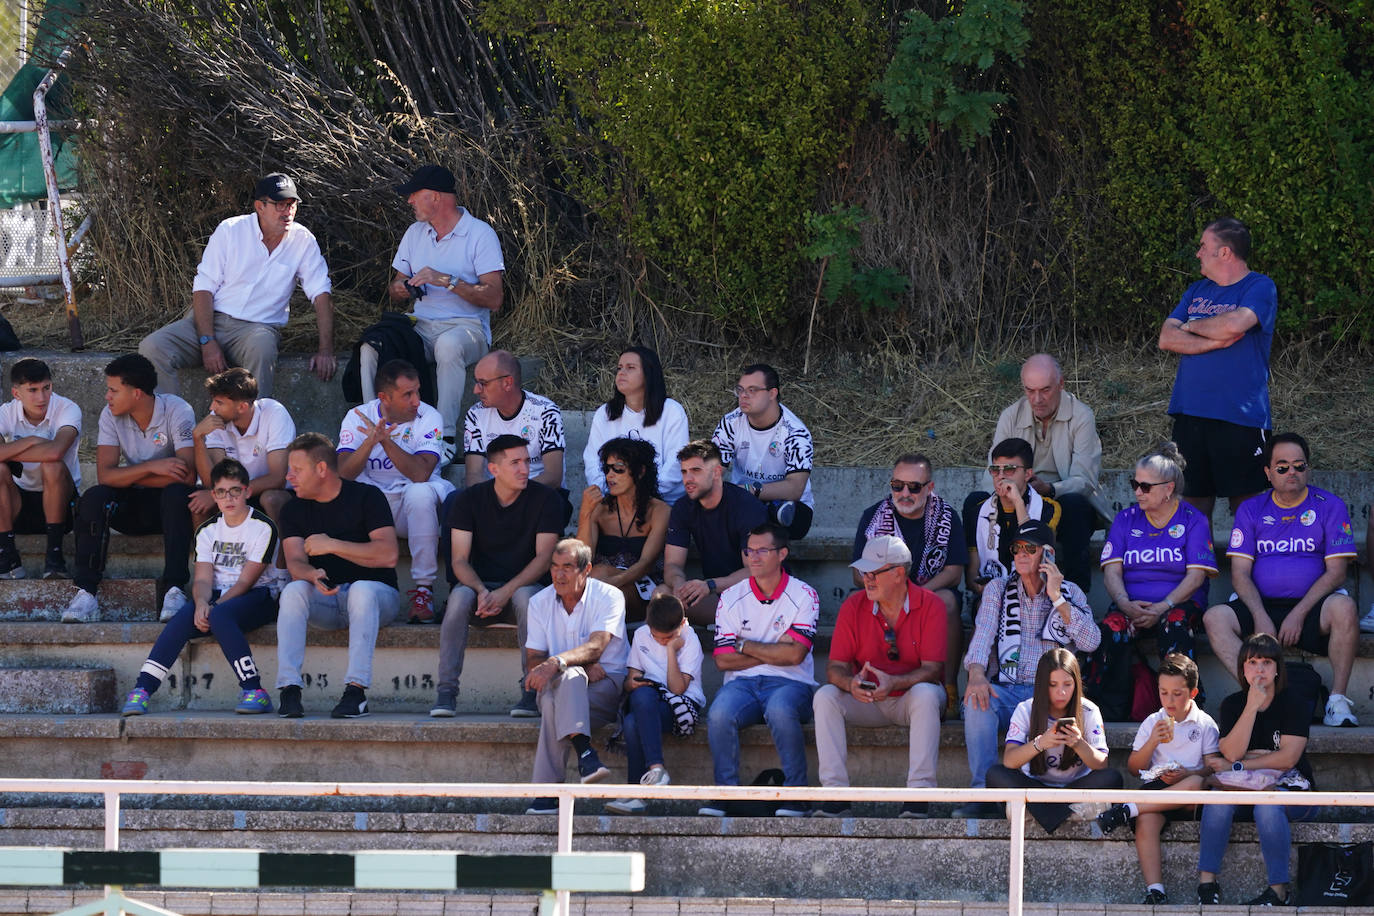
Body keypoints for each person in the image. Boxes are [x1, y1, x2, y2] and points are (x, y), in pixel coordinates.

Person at [1202, 432, 1360, 727]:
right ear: (1268, 472)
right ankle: (1259, 694)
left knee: (1345, 609)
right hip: (1261, 605)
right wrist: (1260, 616)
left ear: (1308, 469)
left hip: (1314, 606)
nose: (1292, 473)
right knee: (1215, 618)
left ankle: (1337, 701)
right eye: (1283, 467)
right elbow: (1239, 574)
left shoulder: (1330, 505)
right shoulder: (1251, 509)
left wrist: (1299, 614)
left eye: (1299, 466)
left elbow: (1337, 573)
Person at [138, 173, 336, 398]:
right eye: (279, 204)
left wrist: (326, 351)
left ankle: (255, 427)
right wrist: (207, 340)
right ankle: (172, 422)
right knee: (152, 347)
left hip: (256, 330)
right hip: (210, 320)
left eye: (292, 204)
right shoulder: (230, 230)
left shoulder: (303, 241)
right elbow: (204, 287)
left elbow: (322, 294)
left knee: (262, 347)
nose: (287, 211)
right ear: (260, 206)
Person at [361, 164, 505, 463]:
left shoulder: (480, 234)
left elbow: (494, 297)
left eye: (414, 194)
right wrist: (400, 288)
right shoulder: (415, 233)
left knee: (449, 346)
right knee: (371, 346)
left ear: (436, 197)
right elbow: (395, 283)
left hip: (468, 328)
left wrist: (447, 281)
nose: (409, 201)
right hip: (421, 324)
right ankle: (375, 429)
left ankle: (445, 436)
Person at [120, 459, 285, 716]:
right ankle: (142, 690)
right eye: (221, 492)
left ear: (247, 492)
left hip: (259, 595)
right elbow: (203, 580)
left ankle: (255, 690)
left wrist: (213, 607)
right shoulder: (207, 530)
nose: (228, 498)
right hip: (216, 596)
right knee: (180, 619)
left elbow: (245, 581)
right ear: (214, 496)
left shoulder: (263, 527)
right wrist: (200, 604)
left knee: (219, 615)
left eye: (235, 491)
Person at [957, 520, 1099, 819]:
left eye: (1029, 549)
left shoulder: (1069, 592)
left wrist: (1057, 597)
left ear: (1047, 555)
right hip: (1008, 692)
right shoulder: (999, 588)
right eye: (1016, 548)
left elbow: (1091, 642)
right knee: (975, 700)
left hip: (1050, 701)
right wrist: (977, 674)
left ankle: (1048, 798)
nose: (1021, 554)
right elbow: (982, 635)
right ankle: (983, 795)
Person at [813, 535, 946, 819]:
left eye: (874, 573)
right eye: (864, 573)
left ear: (898, 573)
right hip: (868, 698)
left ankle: (919, 797)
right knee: (825, 697)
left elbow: (933, 669)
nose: (866, 580)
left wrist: (895, 683)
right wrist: (851, 684)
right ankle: (835, 796)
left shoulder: (932, 604)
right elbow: (834, 666)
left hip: (908, 699)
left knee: (927, 694)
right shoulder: (853, 605)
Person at [1158, 217, 1277, 528]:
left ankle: (1248, 578)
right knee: (1193, 509)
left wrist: (1191, 327)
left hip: (1240, 416)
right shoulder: (1196, 290)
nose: (1197, 253)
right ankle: (1198, 578)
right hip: (1190, 414)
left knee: (1248, 509)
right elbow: (1166, 337)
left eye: (1203, 246)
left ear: (1224, 253)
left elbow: (1236, 324)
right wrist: (1216, 340)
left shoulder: (1259, 286)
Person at [435, 434, 563, 718]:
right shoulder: (467, 500)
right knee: (458, 598)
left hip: (523, 588)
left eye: (527, 461)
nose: (525, 469)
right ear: (493, 469)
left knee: (527, 597)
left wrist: (505, 591)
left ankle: (531, 691)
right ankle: (446, 692)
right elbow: (458, 559)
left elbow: (545, 559)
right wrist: (481, 590)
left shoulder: (546, 499)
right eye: (515, 463)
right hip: (479, 592)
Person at [62, 354, 196, 625]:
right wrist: (153, 468)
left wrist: (128, 476)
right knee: (93, 498)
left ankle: (174, 589)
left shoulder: (177, 410)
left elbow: (188, 475)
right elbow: (104, 475)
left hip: (168, 509)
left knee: (176, 494)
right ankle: (86, 591)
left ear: (136, 393)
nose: (107, 397)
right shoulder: (109, 415)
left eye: (113, 390)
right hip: (133, 505)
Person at [275, 433, 400, 719]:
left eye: (297, 470)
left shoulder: (367, 496)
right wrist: (312, 574)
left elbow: (388, 554)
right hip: (327, 600)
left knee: (362, 590)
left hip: (378, 599)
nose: (289, 476)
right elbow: (295, 561)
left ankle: (356, 693)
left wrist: (331, 544)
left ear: (321, 469)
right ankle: (289, 689)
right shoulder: (293, 507)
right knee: (293, 591)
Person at [699, 523, 818, 818]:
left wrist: (745, 645)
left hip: (792, 683)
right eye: (749, 551)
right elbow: (723, 661)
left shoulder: (805, 595)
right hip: (742, 685)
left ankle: (797, 795)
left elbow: (795, 656)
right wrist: (773, 651)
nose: (753, 557)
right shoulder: (730, 597)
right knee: (719, 714)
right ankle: (725, 794)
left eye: (762, 550)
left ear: (782, 554)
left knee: (779, 710)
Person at [1092, 442, 1217, 719]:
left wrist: (1162, 606)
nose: (1137, 491)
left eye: (1145, 486)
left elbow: (1196, 577)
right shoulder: (1126, 519)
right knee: (1111, 628)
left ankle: (1187, 710)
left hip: (1179, 604)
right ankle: (1110, 711)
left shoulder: (1193, 520)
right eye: (1134, 483)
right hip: (1131, 604)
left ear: (1169, 488)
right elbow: (1112, 572)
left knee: (1173, 625)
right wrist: (1125, 604)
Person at [1195, 633, 1318, 907]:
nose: (1259, 669)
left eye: (1266, 662)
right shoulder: (1233, 704)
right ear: (1243, 668)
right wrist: (1251, 707)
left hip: (1292, 790)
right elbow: (1230, 751)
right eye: (1252, 662)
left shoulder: (1294, 702)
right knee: (1217, 802)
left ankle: (1278, 891)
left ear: (1277, 669)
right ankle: (1207, 884)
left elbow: (1287, 759)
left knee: (1267, 806)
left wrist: (1239, 764)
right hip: (1243, 789)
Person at [1091, 654, 1223, 906]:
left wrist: (1188, 774)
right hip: (1157, 792)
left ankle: (1126, 809)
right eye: (1163, 693)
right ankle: (1156, 890)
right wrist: (1152, 741)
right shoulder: (1153, 721)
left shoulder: (1205, 724)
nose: (1169, 701)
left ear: (1193, 693)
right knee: (1147, 820)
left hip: (1190, 794)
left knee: (1195, 784)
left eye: (1177, 693)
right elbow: (1133, 768)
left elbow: (1213, 769)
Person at [337, 359, 453, 624]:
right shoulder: (358, 417)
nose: (416, 400)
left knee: (420, 491)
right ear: (384, 398)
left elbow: (421, 473)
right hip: (375, 508)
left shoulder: (429, 415)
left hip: (414, 509)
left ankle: (423, 590)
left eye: (417, 391)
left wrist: (386, 442)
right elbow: (343, 473)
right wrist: (369, 442)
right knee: (350, 492)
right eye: (407, 394)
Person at [853, 453, 967, 717]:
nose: (905, 493)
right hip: (885, 594)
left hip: (929, 594)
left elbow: (954, 573)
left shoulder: (948, 517)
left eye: (914, 487)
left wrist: (915, 595)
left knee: (948, 601)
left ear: (930, 488)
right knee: (857, 602)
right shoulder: (873, 517)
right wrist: (891, 591)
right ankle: (864, 682)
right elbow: (858, 574)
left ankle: (949, 687)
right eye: (897, 485)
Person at [522, 538, 628, 816]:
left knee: (556, 697)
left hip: (607, 686)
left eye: (567, 567)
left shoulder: (609, 596)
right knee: (563, 687)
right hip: (559, 687)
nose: (559, 574)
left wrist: (559, 662)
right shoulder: (539, 602)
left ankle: (546, 795)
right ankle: (586, 755)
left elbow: (597, 646)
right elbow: (533, 660)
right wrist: (570, 667)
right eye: (554, 567)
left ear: (587, 569)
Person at [987, 354, 1110, 589]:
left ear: (1061, 385)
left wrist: (1051, 489)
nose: (1037, 399)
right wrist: (1008, 492)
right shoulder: (1010, 416)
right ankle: (991, 590)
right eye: (1030, 391)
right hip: (1018, 496)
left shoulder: (1082, 416)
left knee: (1076, 505)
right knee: (979, 504)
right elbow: (993, 469)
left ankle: (1077, 596)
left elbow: (1084, 480)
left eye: (1045, 390)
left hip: (1062, 499)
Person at [984, 648, 1120, 833]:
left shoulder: (1089, 710)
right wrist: (1040, 743)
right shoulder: (1026, 710)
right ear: (1041, 685)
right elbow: (1009, 760)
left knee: (1113, 778)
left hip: (1074, 788)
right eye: (1053, 685)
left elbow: (1102, 765)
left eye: (1067, 684)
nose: (1061, 692)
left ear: (1077, 684)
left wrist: (1078, 743)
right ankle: (1060, 814)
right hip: (1037, 789)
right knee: (994, 774)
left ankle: (1044, 815)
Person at [605, 592, 705, 815]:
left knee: (635, 717)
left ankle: (636, 791)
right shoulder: (641, 634)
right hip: (649, 701)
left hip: (683, 704)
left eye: (667, 638)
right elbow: (630, 678)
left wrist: (671, 650)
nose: (660, 641)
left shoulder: (690, 640)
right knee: (635, 710)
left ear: (681, 624)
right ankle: (654, 773)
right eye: (656, 637)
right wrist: (635, 684)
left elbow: (678, 688)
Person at [663, 440, 768, 626]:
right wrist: (678, 584)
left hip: (754, 595)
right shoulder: (683, 507)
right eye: (684, 472)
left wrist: (710, 585)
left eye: (696, 471)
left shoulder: (747, 507)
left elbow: (756, 570)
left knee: (667, 608)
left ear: (717, 472)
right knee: (661, 595)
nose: (688, 479)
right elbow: (672, 563)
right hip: (716, 593)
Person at [712, 364, 815, 539]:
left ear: (772, 394)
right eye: (740, 389)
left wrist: (748, 490)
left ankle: (771, 510)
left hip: (792, 504)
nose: (743, 395)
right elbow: (713, 470)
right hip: (743, 500)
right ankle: (768, 511)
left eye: (752, 390)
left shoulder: (796, 432)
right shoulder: (730, 423)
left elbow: (795, 489)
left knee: (783, 518)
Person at [189, 367, 295, 537]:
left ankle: (281, 563)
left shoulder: (274, 413)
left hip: (272, 491)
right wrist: (198, 438)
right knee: (199, 503)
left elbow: (277, 479)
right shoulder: (217, 419)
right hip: (237, 493)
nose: (212, 408)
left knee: (271, 499)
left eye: (219, 402)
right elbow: (212, 480)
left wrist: (227, 493)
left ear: (243, 407)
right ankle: (204, 562)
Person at [0, 357, 80, 579]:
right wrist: (32, 440)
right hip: (19, 501)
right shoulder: (6, 412)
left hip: (62, 502)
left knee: (51, 465)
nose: (42, 397)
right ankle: (8, 556)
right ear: (17, 394)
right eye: (33, 390)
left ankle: (54, 557)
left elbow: (55, 452)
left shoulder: (68, 408)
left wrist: (10, 450)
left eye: (46, 388)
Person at [576, 437, 671, 621]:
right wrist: (585, 513)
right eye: (606, 469)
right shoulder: (600, 509)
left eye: (618, 469)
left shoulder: (660, 511)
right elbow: (581, 558)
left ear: (641, 471)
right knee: (596, 574)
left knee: (599, 574)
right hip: (598, 588)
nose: (610, 475)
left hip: (642, 589)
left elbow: (646, 564)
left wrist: (607, 585)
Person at [582, 346, 690, 505]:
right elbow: (593, 460)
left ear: (648, 374)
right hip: (614, 500)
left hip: (663, 502)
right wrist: (609, 491)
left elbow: (676, 462)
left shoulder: (671, 411)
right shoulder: (605, 413)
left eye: (630, 367)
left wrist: (641, 494)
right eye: (619, 368)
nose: (621, 373)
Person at [963, 437, 1062, 600]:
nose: (1001, 476)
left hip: (1032, 596)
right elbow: (973, 571)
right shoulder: (978, 510)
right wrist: (979, 586)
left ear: (1028, 474)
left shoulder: (1049, 509)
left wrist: (1017, 501)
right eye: (995, 470)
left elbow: (1037, 553)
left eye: (1009, 470)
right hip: (990, 597)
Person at [462, 350, 565, 497]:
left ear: (507, 383)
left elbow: (553, 476)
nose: (476, 390)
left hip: (538, 495)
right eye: (476, 382)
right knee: (455, 500)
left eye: (483, 383)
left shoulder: (545, 411)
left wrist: (512, 494)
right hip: (494, 497)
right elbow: (473, 475)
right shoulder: (475, 415)